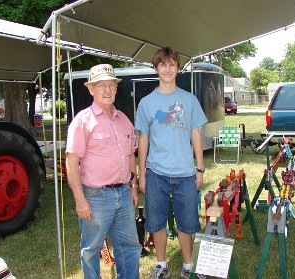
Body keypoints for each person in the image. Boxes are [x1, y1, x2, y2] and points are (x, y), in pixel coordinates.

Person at [135, 47, 207, 279]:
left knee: (187, 223)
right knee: (155, 222)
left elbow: (196, 135)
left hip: (186, 173)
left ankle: (188, 265)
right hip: (156, 173)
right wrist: (142, 173)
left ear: (178, 68)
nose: (167, 69)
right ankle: (162, 264)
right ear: (156, 68)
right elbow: (143, 139)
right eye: (162, 64)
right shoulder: (146, 102)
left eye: (172, 64)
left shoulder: (189, 100)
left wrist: (199, 168)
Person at [65, 64, 142, 279]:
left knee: (129, 246)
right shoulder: (82, 121)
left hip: (124, 195)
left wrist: (133, 187)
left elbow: (129, 157)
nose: (107, 90)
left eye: (111, 85)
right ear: (91, 89)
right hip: (96, 197)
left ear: (116, 89)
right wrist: (80, 200)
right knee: (91, 250)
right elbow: (71, 163)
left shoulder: (124, 120)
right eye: (101, 86)